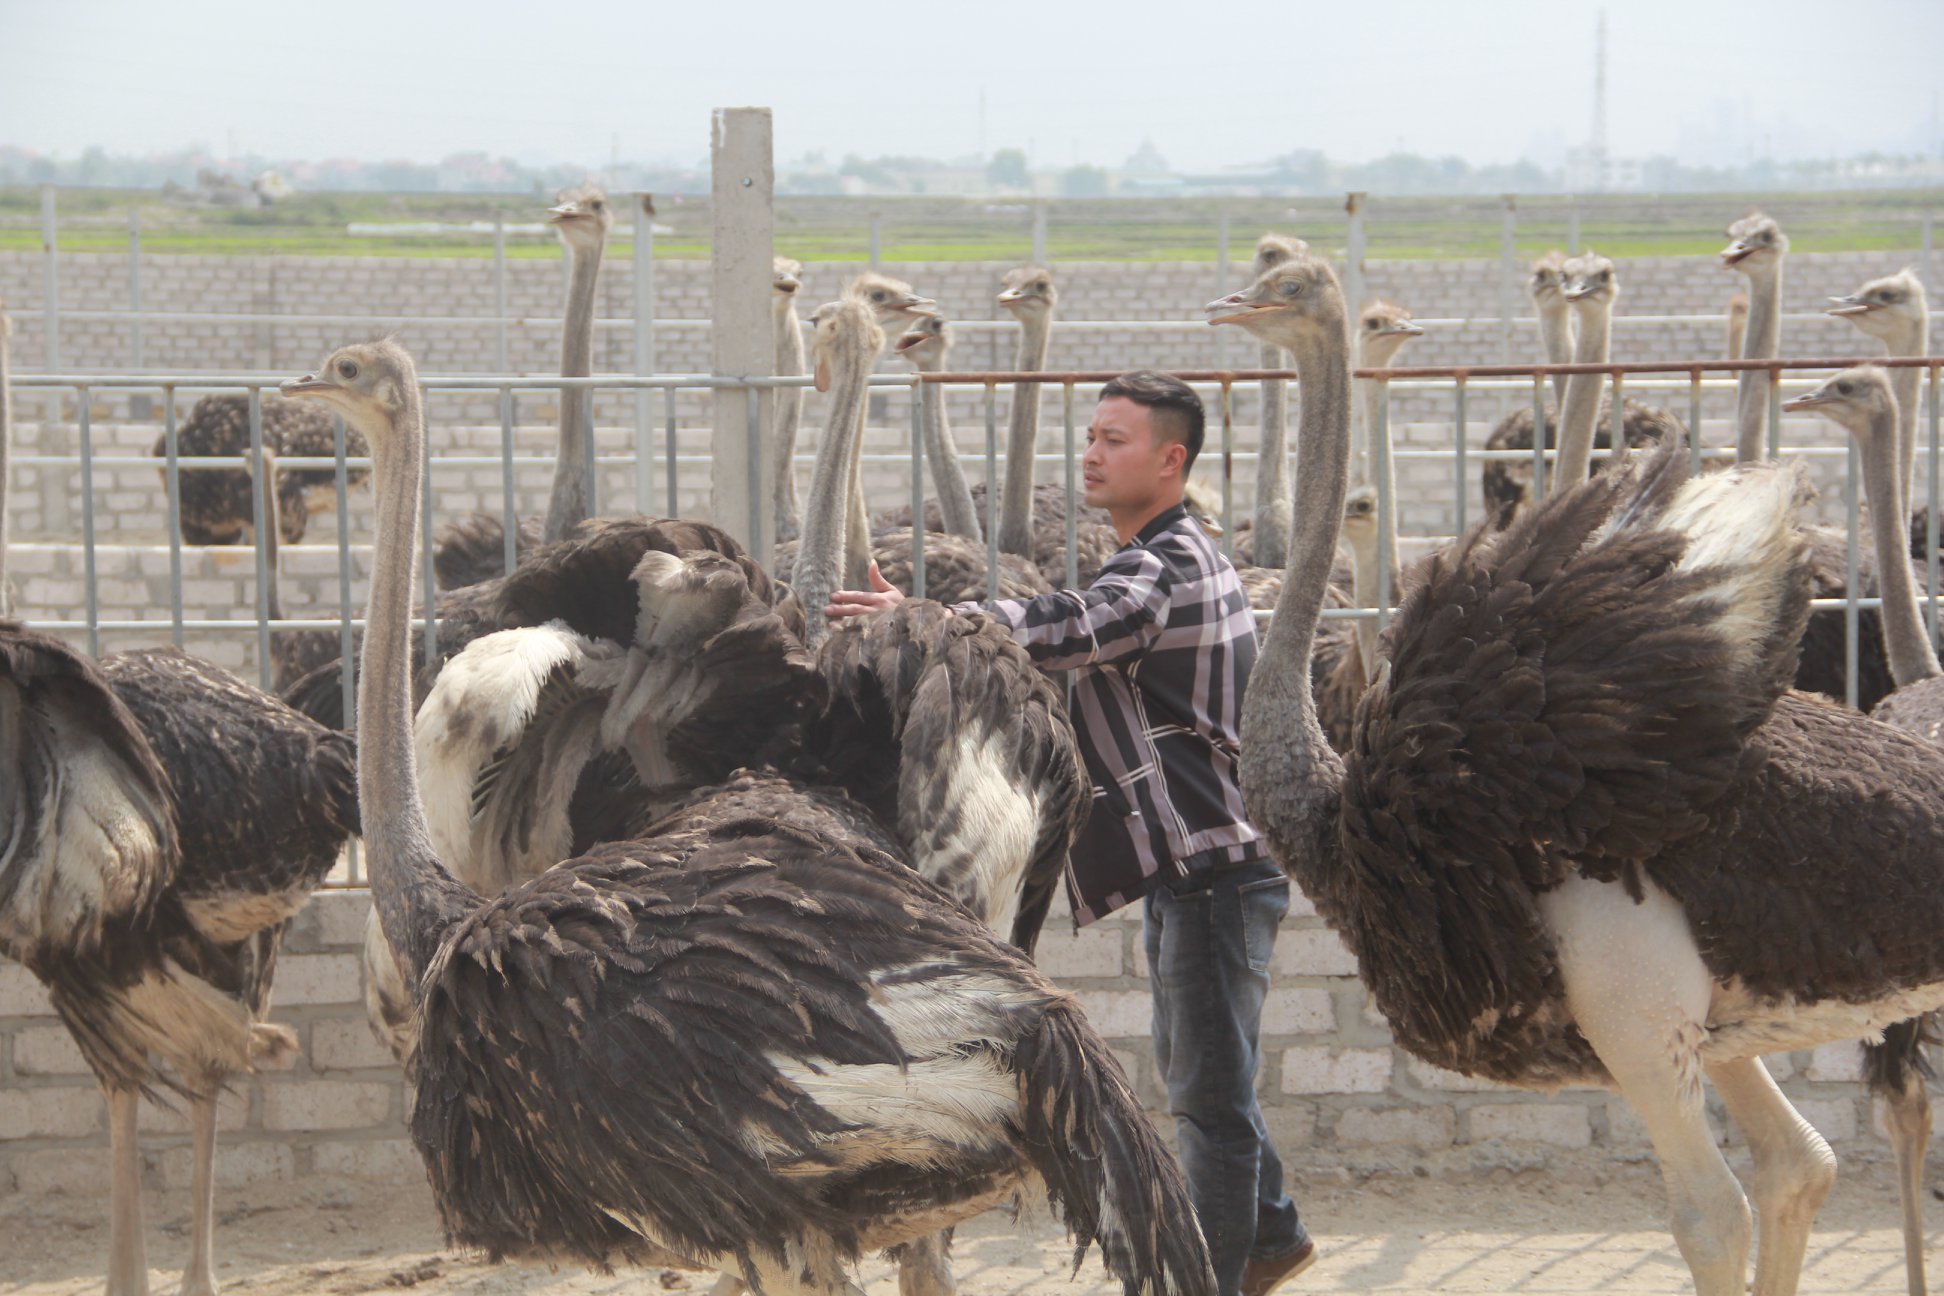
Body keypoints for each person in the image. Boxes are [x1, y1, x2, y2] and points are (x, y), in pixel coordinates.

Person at [826, 370, 1316, 1296]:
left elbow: (1078, 623)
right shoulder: (1159, 553)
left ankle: (1205, 1279)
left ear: (1171, 461)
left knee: (1207, 1100)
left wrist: (929, 619)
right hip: (1200, 868)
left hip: (1216, 871)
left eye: (1116, 440)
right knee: (1208, 1077)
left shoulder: (1163, 566)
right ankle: (1274, 1238)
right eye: (1091, 436)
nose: (1092, 453)